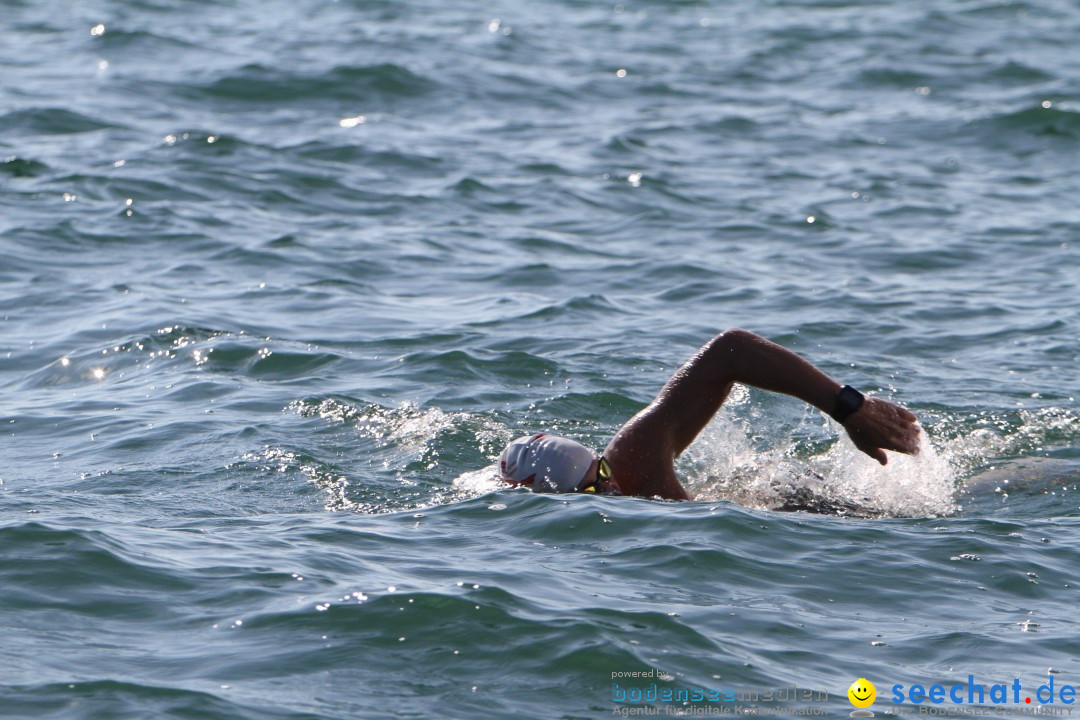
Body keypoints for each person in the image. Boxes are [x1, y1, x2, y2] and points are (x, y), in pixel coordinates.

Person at [498, 328, 921, 500]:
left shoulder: (634, 459)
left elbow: (730, 349)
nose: (610, 488)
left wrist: (850, 409)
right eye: (592, 491)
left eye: (601, 473)